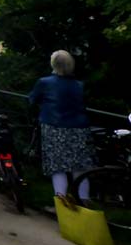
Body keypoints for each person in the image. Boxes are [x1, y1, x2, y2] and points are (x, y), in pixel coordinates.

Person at [28, 50, 96, 199]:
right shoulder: (79, 85)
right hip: (79, 129)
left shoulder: (44, 83)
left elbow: (32, 99)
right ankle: (84, 203)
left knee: (57, 168)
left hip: (54, 128)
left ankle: (61, 201)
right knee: (80, 168)